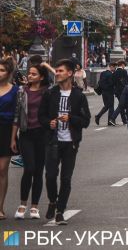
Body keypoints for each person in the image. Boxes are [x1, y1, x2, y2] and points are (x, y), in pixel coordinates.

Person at [37, 59, 91, 225]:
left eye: (60, 71)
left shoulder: (78, 96)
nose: (57, 73)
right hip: (53, 141)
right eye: (57, 71)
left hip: (70, 143)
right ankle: (53, 201)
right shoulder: (50, 93)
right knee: (50, 175)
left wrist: (71, 118)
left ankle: (60, 211)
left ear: (70, 73)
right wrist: (49, 123)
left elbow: (86, 120)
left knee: (66, 179)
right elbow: (42, 116)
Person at [11, 64, 49, 219]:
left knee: (39, 171)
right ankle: (22, 204)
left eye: (34, 74)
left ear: (41, 76)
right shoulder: (22, 91)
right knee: (29, 169)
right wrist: (13, 137)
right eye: (29, 73)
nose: (30, 76)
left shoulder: (48, 92)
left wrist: (47, 65)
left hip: (43, 135)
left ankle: (34, 207)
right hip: (26, 134)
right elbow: (16, 115)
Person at [0, 58, 19, 220]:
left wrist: (13, 138)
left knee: (2, 169)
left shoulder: (15, 91)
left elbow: (16, 117)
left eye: (2, 70)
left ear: (8, 73)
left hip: (6, 131)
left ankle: (0, 207)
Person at [110, 61, 128, 125]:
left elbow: (112, 82)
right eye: (124, 65)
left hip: (117, 91)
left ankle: (124, 120)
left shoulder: (115, 72)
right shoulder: (124, 71)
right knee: (121, 105)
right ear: (122, 64)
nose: (124, 67)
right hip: (123, 91)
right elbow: (127, 80)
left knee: (122, 105)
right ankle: (112, 118)